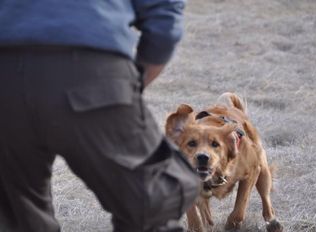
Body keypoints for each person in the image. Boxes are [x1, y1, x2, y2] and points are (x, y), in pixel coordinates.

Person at [0, 1, 200, 232]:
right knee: (151, 203)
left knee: (15, 213)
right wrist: (129, 85)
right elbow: (164, 12)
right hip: (92, 69)